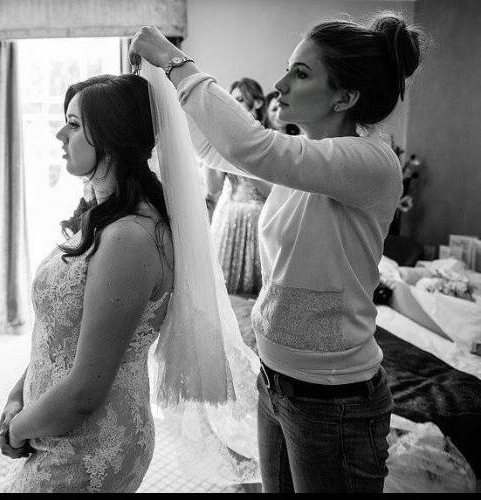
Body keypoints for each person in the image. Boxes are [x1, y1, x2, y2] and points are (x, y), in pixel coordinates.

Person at [131, 11, 423, 493]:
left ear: (345, 97)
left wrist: (176, 60)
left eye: (301, 73)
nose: (281, 83)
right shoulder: (305, 162)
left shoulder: (371, 161)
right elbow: (215, 149)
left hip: (335, 400)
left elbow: (250, 147)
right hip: (277, 382)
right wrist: (161, 84)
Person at [0, 74, 175, 492]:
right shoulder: (105, 215)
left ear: (111, 137)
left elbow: (85, 391)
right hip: (54, 422)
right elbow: (60, 336)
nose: (60, 133)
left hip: (90, 443)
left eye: (74, 124)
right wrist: (18, 394)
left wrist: (18, 429)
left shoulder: (130, 237)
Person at [205, 78, 271, 296]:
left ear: (258, 103)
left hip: (258, 218)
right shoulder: (225, 139)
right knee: (226, 292)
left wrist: (243, 160)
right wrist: (211, 153)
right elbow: (213, 188)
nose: (235, 107)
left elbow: (273, 192)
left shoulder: (270, 140)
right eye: (232, 101)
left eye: (241, 100)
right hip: (228, 217)